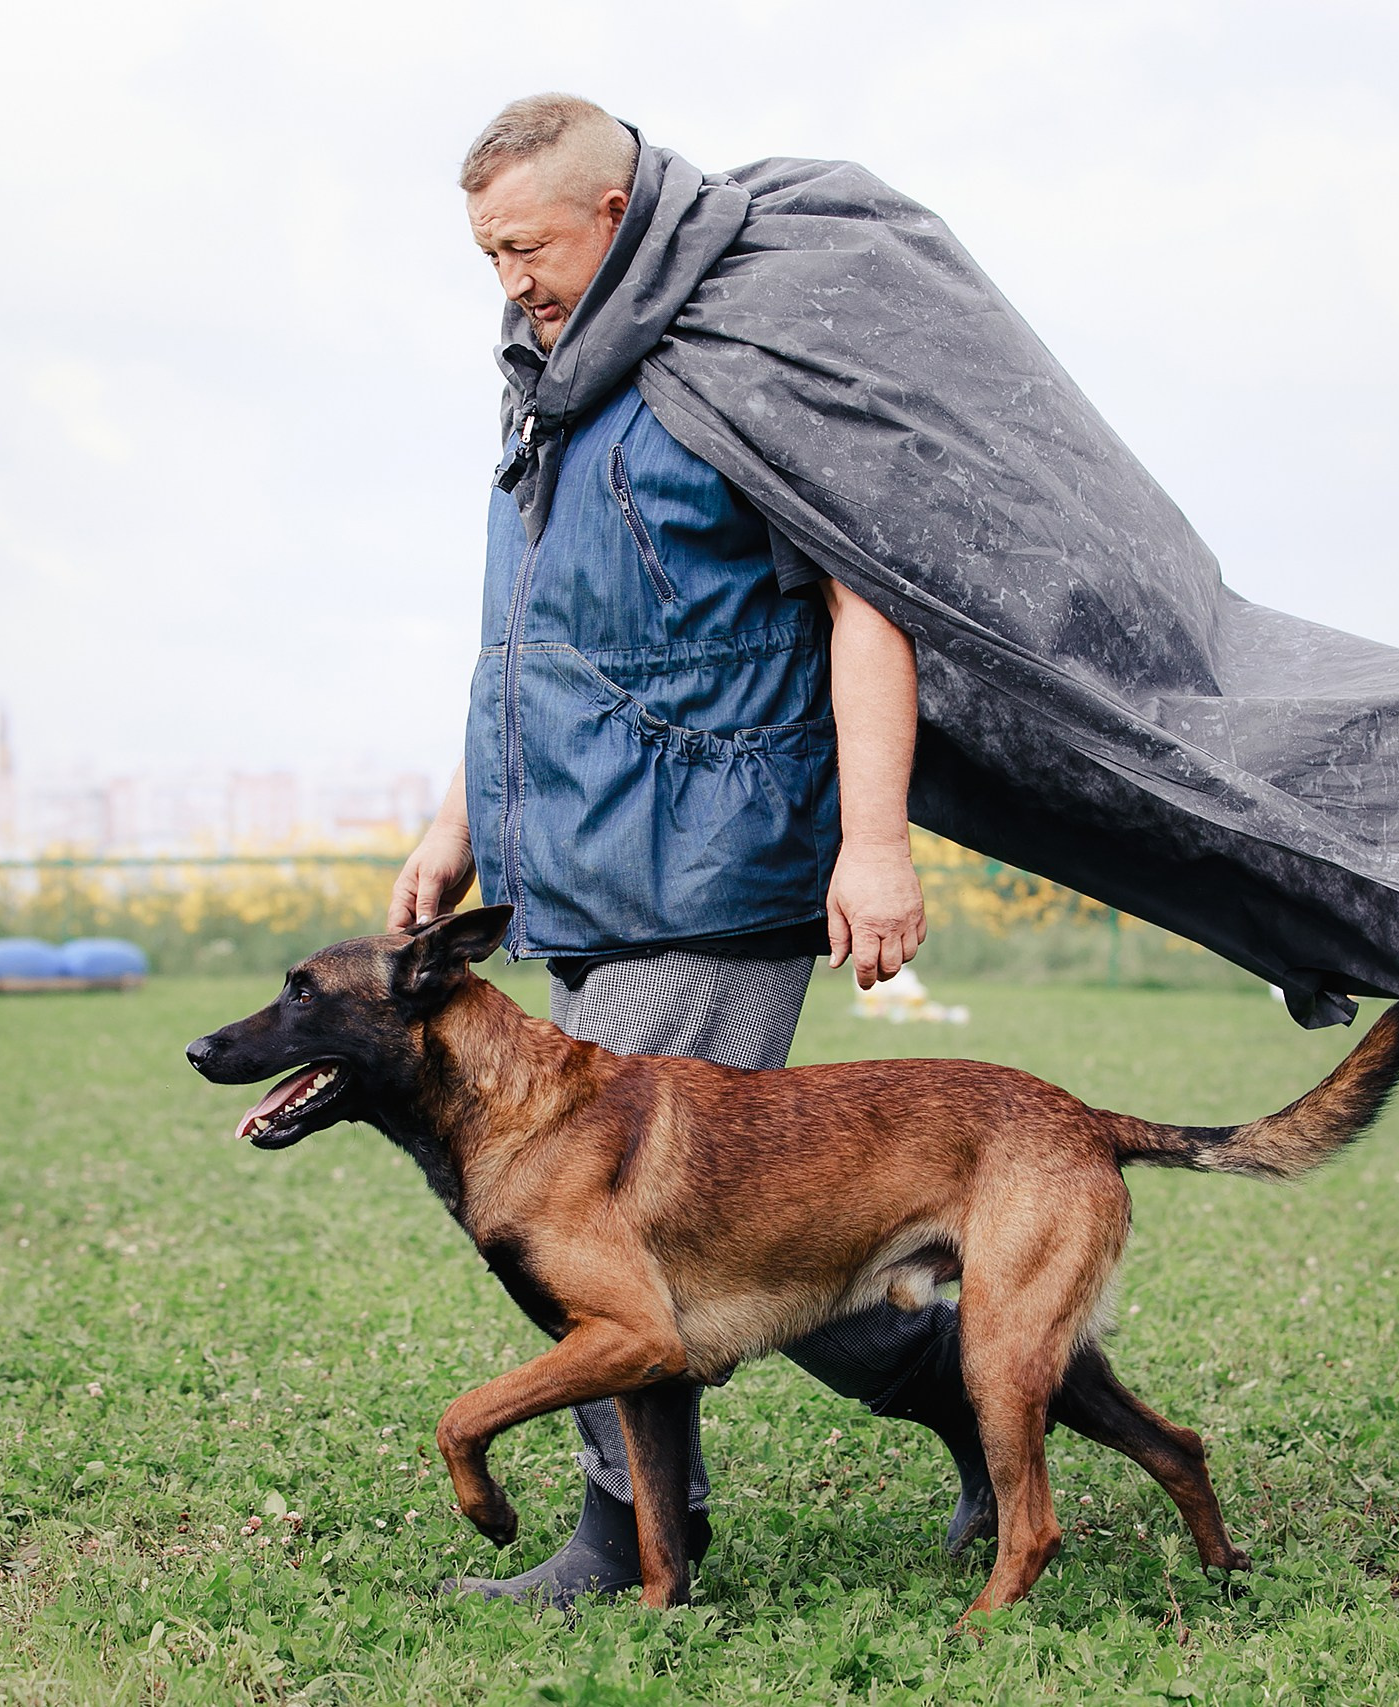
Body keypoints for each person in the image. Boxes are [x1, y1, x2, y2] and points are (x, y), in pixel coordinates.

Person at [387, 95, 990, 1606]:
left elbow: (867, 607)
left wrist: (874, 840)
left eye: (524, 244)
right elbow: (523, 648)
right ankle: (987, 1385)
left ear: (610, 213)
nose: (507, 278)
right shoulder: (551, 395)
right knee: (756, 1246)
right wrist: (458, 821)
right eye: (486, 254)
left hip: (714, 869)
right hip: (579, 870)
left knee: (588, 1224)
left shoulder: (731, 368)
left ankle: (629, 1539)